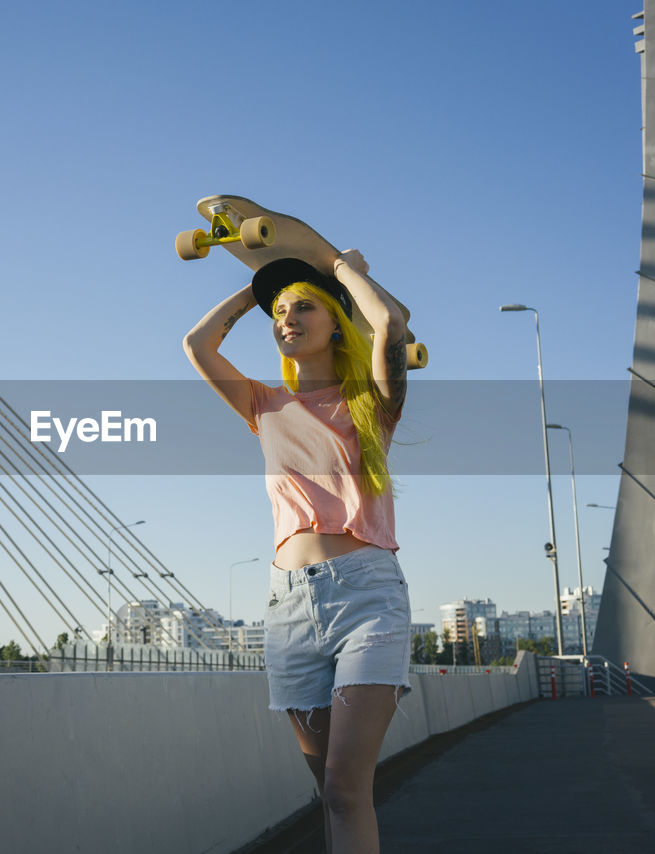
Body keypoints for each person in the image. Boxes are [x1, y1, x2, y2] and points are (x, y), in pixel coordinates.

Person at [183, 251, 412, 853]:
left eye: (303, 307)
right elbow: (198, 343)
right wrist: (261, 289)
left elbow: (387, 322)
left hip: (366, 597)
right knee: (329, 792)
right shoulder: (264, 406)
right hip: (289, 609)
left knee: (345, 787)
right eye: (279, 314)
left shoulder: (370, 405)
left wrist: (339, 270)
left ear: (336, 321)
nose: (287, 319)